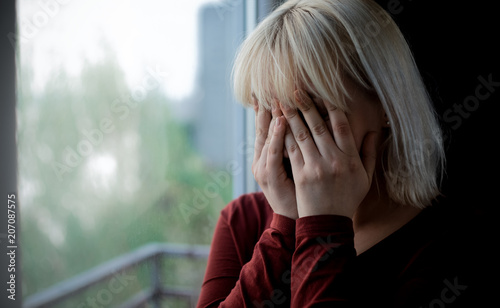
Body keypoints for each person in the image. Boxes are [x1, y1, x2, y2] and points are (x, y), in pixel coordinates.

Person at [196, 0, 469, 307]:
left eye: (313, 112)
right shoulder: (243, 220)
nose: (290, 138)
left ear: (387, 105)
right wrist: (284, 227)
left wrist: (323, 224)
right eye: (274, 114)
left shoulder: (453, 243)